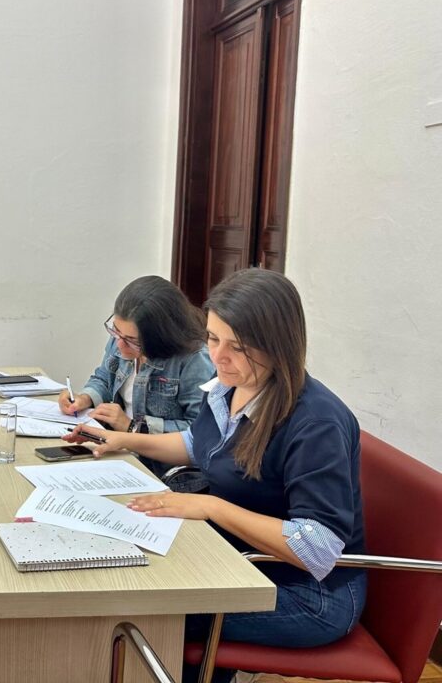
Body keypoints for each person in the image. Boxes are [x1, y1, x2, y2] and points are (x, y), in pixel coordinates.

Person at [65, 269, 366, 681]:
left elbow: (317, 549)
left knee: (151, 610)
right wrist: (125, 441)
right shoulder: (230, 386)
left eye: (237, 346)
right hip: (240, 563)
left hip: (310, 596)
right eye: (212, 338)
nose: (219, 356)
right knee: (127, 577)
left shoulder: (316, 423)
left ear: (278, 346)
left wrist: (210, 507)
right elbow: (197, 444)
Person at [57, 276, 213, 473]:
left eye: (132, 340)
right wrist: (84, 398)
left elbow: (199, 433)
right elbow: (104, 377)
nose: (120, 344)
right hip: (118, 452)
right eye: (116, 332)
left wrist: (132, 426)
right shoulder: (121, 339)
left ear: (160, 336)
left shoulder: (194, 360)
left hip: (161, 470)